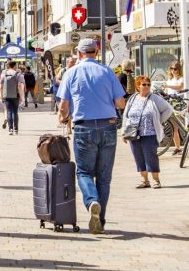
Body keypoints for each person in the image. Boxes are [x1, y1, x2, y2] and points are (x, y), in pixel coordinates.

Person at [56, 38, 125, 234]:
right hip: (108, 126)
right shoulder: (107, 72)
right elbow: (120, 103)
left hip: (83, 127)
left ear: (79, 54)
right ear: (97, 52)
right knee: (104, 178)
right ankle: (100, 220)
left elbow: (63, 106)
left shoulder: (71, 73)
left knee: (84, 172)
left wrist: (63, 117)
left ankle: (92, 201)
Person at [122, 75, 174, 189]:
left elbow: (168, 109)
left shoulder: (154, 98)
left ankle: (156, 180)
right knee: (138, 157)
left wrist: (159, 120)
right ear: (138, 86)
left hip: (149, 133)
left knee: (151, 157)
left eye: (148, 85)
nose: (146, 87)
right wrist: (124, 132)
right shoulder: (133, 98)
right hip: (134, 133)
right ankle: (145, 180)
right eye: (144, 84)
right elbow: (126, 115)